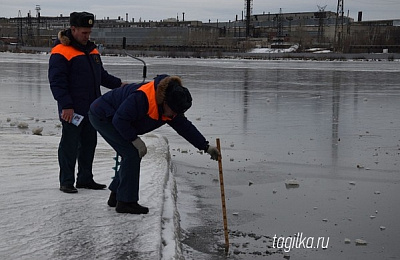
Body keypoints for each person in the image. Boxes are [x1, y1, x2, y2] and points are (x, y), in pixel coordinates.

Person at [88, 74, 220, 214]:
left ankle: (117, 195)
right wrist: (134, 139)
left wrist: (205, 146)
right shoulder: (142, 98)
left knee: (130, 154)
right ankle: (126, 202)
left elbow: (185, 128)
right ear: (165, 102)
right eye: (174, 111)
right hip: (103, 115)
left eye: (178, 112)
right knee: (131, 154)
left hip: (117, 118)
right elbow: (120, 120)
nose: (174, 115)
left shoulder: (171, 105)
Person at [48, 11, 125, 193]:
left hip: (93, 108)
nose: (87, 36)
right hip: (72, 109)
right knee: (69, 145)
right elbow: (57, 82)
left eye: (89, 32)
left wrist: (120, 85)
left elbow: (101, 76)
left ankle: (85, 178)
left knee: (89, 144)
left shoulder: (92, 50)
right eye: (84, 33)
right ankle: (66, 181)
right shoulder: (61, 51)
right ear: (73, 29)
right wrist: (66, 105)